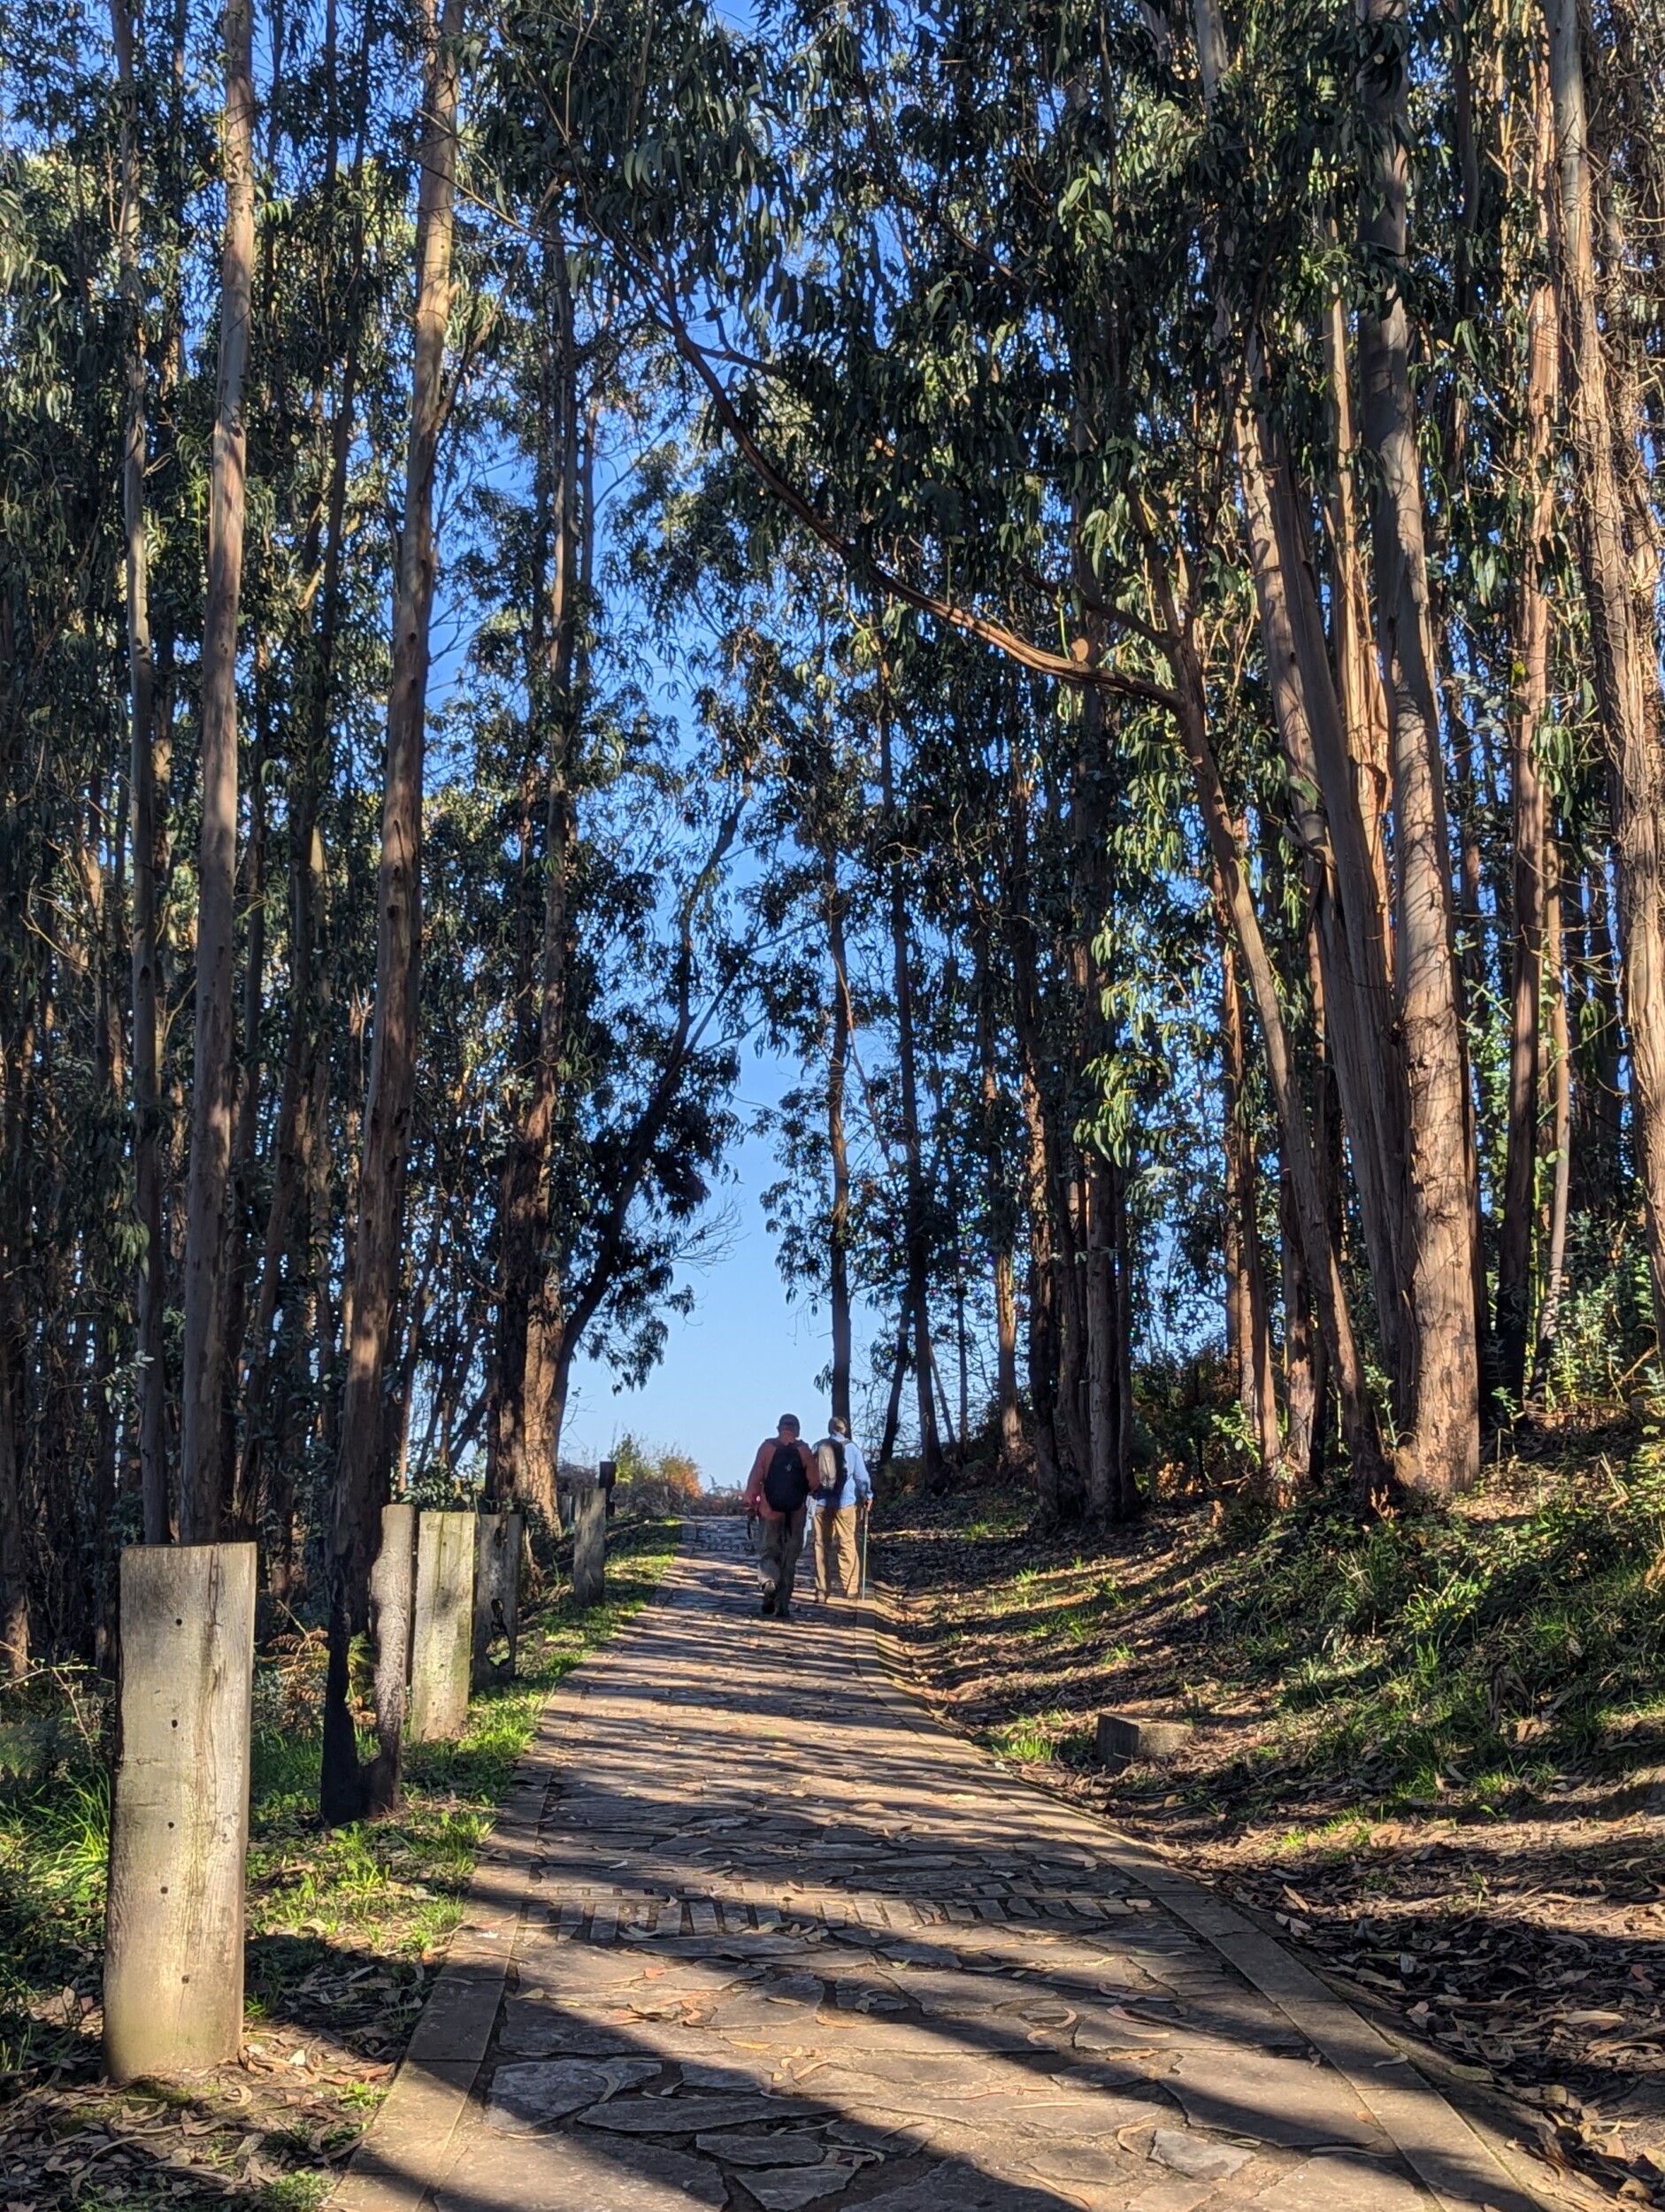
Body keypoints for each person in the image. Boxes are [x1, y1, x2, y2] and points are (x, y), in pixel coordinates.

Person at [742, 1415, 816, 1619]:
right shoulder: (804, 1451)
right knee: (789, 1559)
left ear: (778, 1428)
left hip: (769, 1510)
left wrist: (750, 1504)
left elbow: (755, 1478)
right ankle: (783, 1605)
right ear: (798, 1430)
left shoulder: (767, 1448)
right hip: (796, 1513)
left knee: (769, 1551)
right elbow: (814, 1482)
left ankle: (768, 1583)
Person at [810, 1416, 871, 1603]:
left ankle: (822, 1590)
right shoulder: (852, 1449)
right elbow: (861, 1477)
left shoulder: (818, 1447)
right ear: (844, 1429)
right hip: (845, 1503)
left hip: (822, 1503)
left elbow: (810, 1474)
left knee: (821, 1545)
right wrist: (868, 1495)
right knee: (847, 1543)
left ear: (829, 1429)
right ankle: (851, 1588)